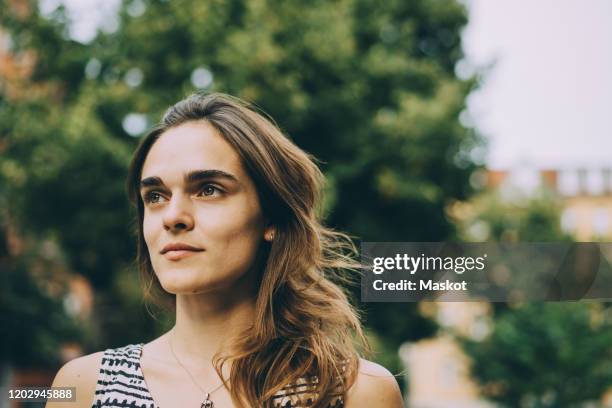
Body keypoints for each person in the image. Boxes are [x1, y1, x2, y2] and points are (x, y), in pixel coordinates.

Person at [48, 93, 404, 408]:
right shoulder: (83, 388)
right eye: (155, 197)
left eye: (209, 189)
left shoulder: (354, 391)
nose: (173, 217)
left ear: (272, 218)